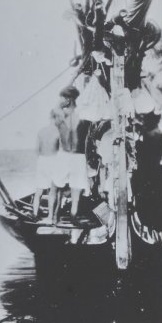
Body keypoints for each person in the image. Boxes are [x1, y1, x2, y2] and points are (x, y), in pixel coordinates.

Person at [51, 86, 91, 224]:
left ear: (67, 99)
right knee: (76, 190)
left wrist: (62, 102)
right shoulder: (84, 115)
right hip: (78, 156)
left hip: (64, 154)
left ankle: (54, 217)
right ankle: (73, 217)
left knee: (56, 186)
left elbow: (56, 108)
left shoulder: (60, 116)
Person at [32, 110, 60, 222]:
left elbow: (36, 150)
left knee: (39, 190)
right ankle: (50, 216)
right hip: (54, 160)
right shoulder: (59, 132)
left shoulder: (41, 131)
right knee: (53, 191)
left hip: (42, 160)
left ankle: (35, 213)